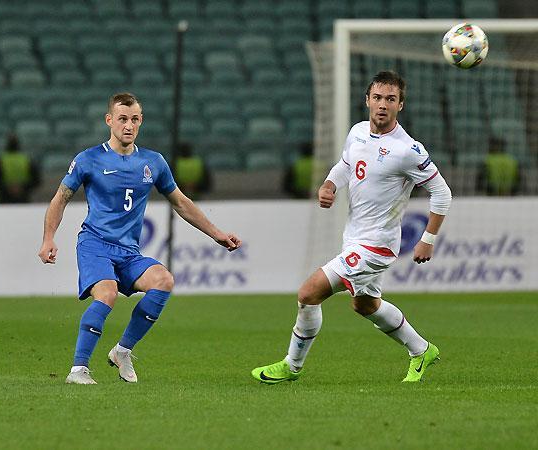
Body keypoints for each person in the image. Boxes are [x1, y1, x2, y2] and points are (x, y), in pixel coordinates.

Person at [251, 71, 452, 384]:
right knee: (365, 305)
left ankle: (292, 366)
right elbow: (346, 164)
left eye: (391, 99)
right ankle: (422, 350)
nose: (383, 104)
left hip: (377, 245)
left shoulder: (408, 150)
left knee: (308, 293)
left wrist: (428, 238)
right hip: (355, 237)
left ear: (400, 105)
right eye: (378, 97)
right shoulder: (357, 132)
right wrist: (330, 184)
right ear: (367, 100)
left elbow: (442, 192)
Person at [38, 93, 241, 385]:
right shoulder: (88, 159)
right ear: (109, 120)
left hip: (129, 252)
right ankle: (78, 370)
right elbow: (60, 198)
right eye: (122, 119)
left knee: (164, 280)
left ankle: (122, 351)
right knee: (107, 294)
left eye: (134, 119)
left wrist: (217, 234)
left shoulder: (153, 162)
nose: (129, 125)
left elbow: (181, 202)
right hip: (95, 245)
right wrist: (48, 238)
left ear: (141, 121)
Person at [0, 134, 41, 203]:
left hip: (5, 199)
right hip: (23, 199)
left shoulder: (1, 160)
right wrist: (23, 188)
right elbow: (37, 180)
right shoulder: (26, 160)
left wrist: (6, 188)